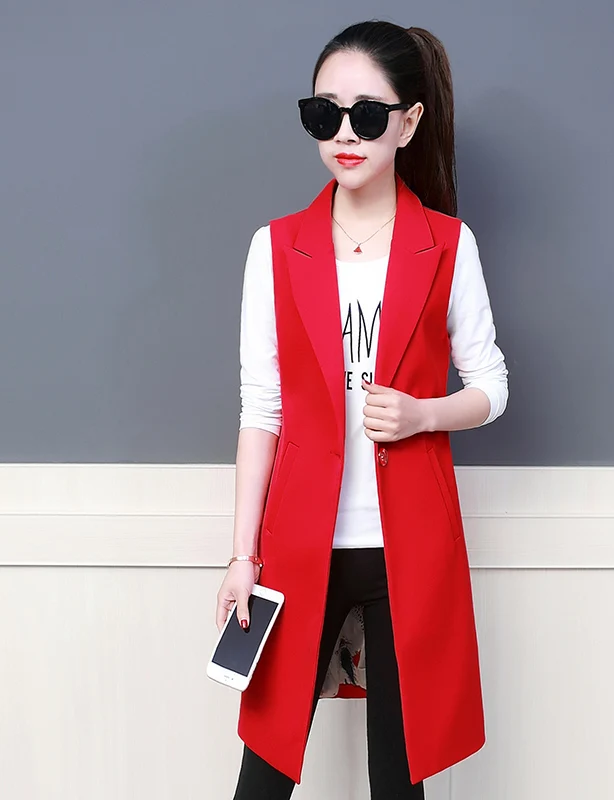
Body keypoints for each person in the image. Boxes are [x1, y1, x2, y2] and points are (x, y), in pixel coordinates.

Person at [216, 19, 509, 799]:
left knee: (397, 781)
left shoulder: (447, 245)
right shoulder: (275, 247)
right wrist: (243, 556)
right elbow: (261, 411)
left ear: (409, 123)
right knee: (263, 775)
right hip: (297, 547)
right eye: (325, 114)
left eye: (368, 115)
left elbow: (492, 386)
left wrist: (423, 415)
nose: (345, 135)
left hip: (410, 546)